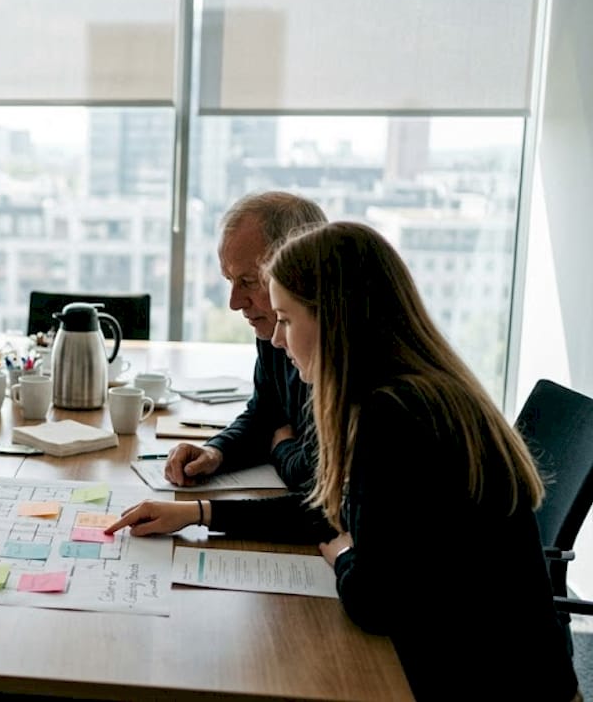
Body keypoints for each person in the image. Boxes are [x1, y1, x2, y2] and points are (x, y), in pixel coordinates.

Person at [110, 222, 578, 699]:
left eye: (287, 320)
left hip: (484, 682)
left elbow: (374, 599)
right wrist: (197, 513)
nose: (276, 341)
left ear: (335, 318)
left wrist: (346, 555)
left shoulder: (392, 415)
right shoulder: (412, 389)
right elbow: (330, 511)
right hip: (511, 667)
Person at [165, 192, 327, 491]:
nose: (234, 303)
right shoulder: (274, 330)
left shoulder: (335, 352)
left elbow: (313, 476)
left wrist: (281, 447)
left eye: (249, 282)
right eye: (230, 281)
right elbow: (265, 415)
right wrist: (216, 451)